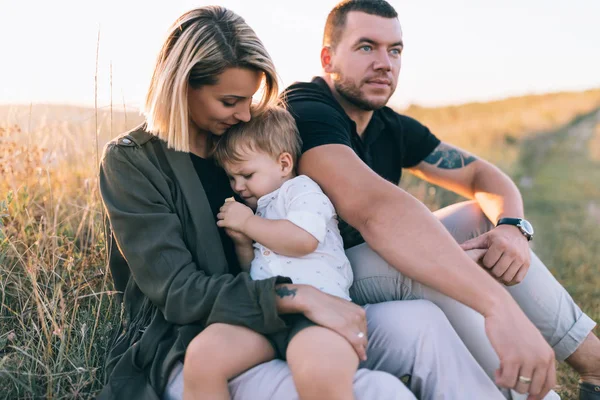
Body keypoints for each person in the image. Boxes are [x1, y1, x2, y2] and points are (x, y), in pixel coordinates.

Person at [97, 5, 507, 400]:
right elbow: (180, 293)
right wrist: (301, 296)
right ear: (182, 86)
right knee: (378, 392)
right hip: (198, 339)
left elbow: (319, 225)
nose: (243, 115)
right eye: (229, 102)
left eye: (250, 99)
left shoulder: (247, 139)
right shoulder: (134, 162)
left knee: (423, 323)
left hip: (298, 303)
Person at [281, 1, 600, 400]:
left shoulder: (387, 124)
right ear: (328, 57)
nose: (385, 63)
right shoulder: (307, 109)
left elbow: (480, 175)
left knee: (479, 220)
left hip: (360, 267)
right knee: (432, 260)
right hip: (316, 276)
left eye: (394, 50)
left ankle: (596, 369)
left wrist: (513, 229)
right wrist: (495, 305)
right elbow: (374, 211)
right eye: (367, 47)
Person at [182, 105, 357, 399]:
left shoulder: (301, 190)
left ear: (284, 164)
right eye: (231, 178)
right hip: (265, 311)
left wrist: (250, 224)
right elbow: (255, 268)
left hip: (317, 310)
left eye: (246, 174)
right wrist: (242, 243)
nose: (238, 186)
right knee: (202, 357)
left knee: (319, 371)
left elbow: (303, 240)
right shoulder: (261, 207)